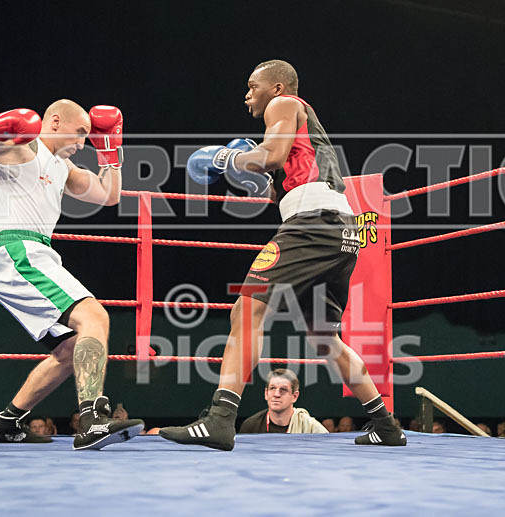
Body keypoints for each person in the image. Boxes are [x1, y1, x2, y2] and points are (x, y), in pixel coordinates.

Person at [160, 60, 406, 450]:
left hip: (312, 224)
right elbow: (281, 176)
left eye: (252, 86)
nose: (247, 94)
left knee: (246, 309)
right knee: (325, 338)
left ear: (275, 88)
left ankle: (220, 419)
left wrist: (226, 159)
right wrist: (250, 173)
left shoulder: (284, 104)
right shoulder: (304, 129)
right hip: (341, 230)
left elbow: (272, 154)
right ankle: (386, 425)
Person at [0, 99, 143, 449]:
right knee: (94, 317)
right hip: (16, 251)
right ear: (54, 121)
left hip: (37, 255)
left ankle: (7, 423)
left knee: (69, 350)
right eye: (81, 132)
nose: (84, 142)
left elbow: (110, 196)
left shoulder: (63, 167)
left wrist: (111, 149)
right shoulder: (21, 147)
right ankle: (93, 419)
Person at [238, 369, 328, 434]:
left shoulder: (310, 427)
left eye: (283, 390)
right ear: (266, 393)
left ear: (294, 396)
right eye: (272, 388)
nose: (276, 394)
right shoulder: (251, 426)